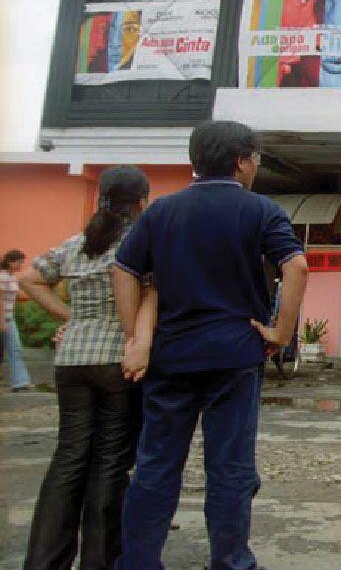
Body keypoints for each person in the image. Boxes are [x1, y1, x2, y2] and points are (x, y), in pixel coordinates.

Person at [111, 120, 308, 570]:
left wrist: (135, 337)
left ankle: (138, 562)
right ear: (241, 161)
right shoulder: (261, 210)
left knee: (156, 466)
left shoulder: (161, 212)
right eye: (256, 159)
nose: (256, 168)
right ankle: (231, 561)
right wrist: (279, 332)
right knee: (230, 469)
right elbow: (295, 267)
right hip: (234, 355)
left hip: (170, 356)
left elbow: (123, 269)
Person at [18, 167, 153, 569]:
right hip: (118, 358)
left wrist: (70, 319)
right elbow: (150, 294)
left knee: (69, 457)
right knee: (110, 461)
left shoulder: (79, 243)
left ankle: (44, 561)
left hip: (72, 362)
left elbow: (30, 280)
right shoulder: (138, 242)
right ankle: (100, 559)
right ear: (141, 203)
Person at [1, 249, 33, 392]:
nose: (21, 265)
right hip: (3, 318)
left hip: (9, 318)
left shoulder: (12, 277)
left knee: (15, 349)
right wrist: (1, 321)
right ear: (10, 262)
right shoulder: (2, 277)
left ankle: (20, 382)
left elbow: (18, 295)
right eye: (19, 262)